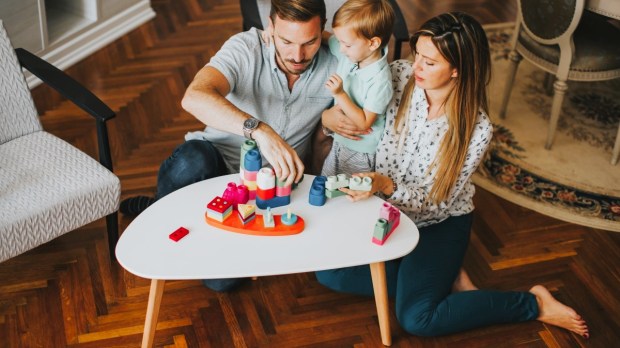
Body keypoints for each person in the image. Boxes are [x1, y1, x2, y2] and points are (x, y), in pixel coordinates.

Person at [318, 12, 589, 338]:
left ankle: (534, 304)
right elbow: (353, 102)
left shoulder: (476, 129)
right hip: (384, 212)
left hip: (437, 222)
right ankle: (440, 275)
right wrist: (328, 118)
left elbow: (434, 201)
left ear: (458, 68)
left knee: (417, 319)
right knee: (328, 273)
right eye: (418, 53)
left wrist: (385, 184)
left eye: (430, 63)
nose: (416, 66)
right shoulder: (397, 77)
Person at [120, 0, 337, 291]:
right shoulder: (245, 48)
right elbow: (193, 96)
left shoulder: (337, 59)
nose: (297, 55)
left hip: (268, 192)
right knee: (191, 159)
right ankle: (160, 208)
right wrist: (259, 130)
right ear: (269, 28)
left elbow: (373, 52)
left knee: (221, 282)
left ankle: (185, 221)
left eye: (309, 42)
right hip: (215, 165)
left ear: (322, 31)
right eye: (286, 41)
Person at [320, 0, 395, 177]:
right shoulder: (353, 52)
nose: (341, 49)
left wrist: (340, 94)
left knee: (349, 194)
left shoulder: (380, 81)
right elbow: (322, 35)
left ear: (373, 43)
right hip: (340, 141)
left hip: (360, 151)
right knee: (327, 184)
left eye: (346, 44)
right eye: (339, 42)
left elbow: (363, 123)